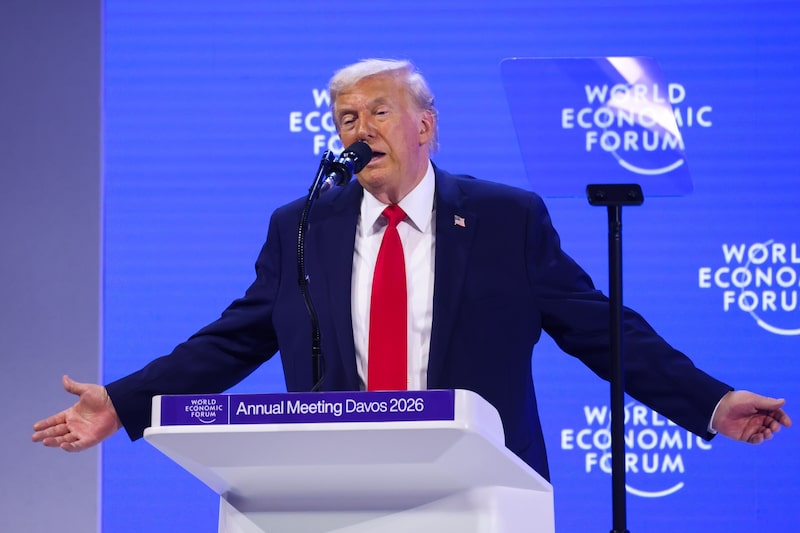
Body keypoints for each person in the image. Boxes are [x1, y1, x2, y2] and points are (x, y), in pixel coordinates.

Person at [33, 59, 790, 481]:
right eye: (345, 120)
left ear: (424, 124)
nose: (360, 131)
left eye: (377, 112)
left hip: (484, 489)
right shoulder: (303, 225)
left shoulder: (505, 219)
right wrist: (126, 402)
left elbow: (602, 329)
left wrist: (711, 401)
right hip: (335, 491)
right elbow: (234, 339)